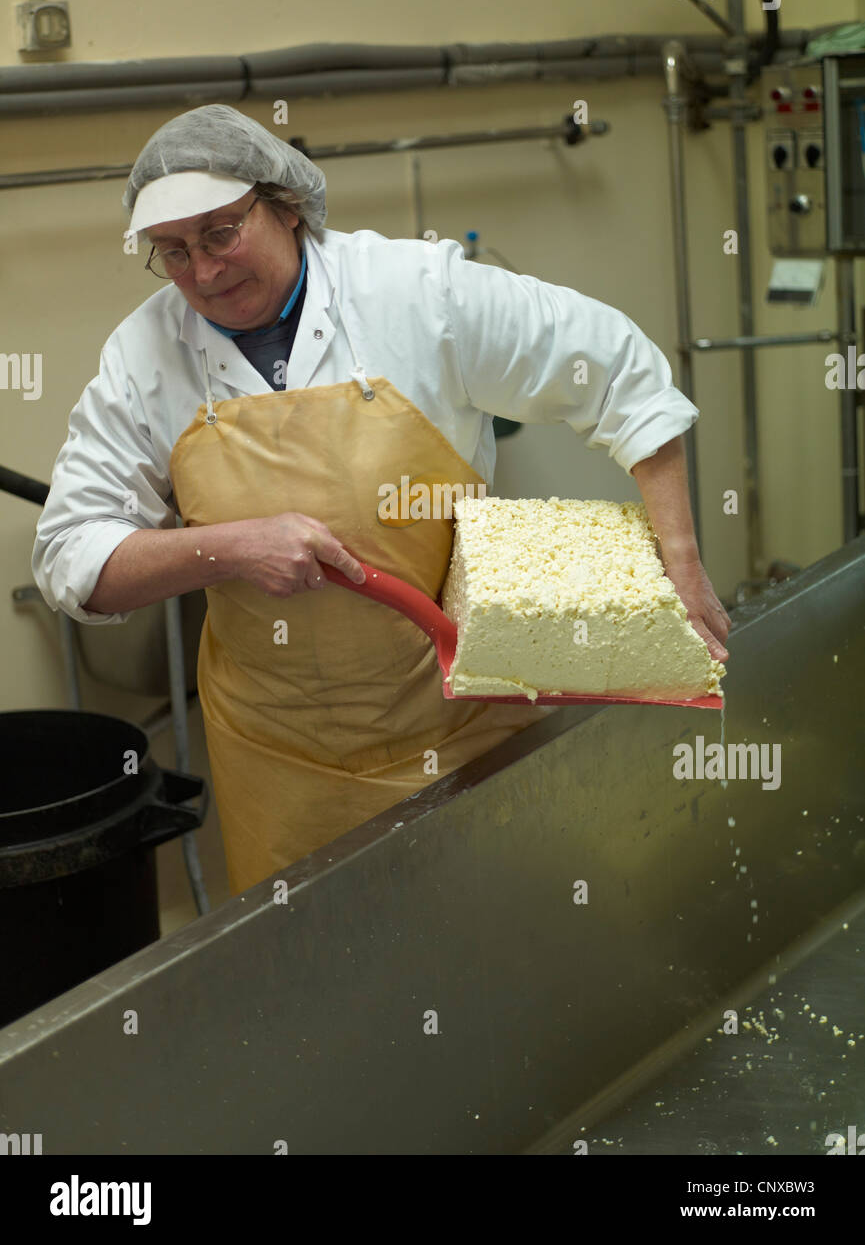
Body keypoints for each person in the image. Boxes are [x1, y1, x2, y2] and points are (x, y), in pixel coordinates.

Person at [32, 103, 730, 895]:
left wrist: (680, 562)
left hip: (457, 720)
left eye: (221, 233)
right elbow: (69, 557)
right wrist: (229, 548)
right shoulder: (144, 354)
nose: (202, 272)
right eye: (173, 252)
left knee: (493, 940)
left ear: (285, 207)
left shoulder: (411, 293)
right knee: (319, 984)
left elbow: (616, 371)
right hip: (275, 757)